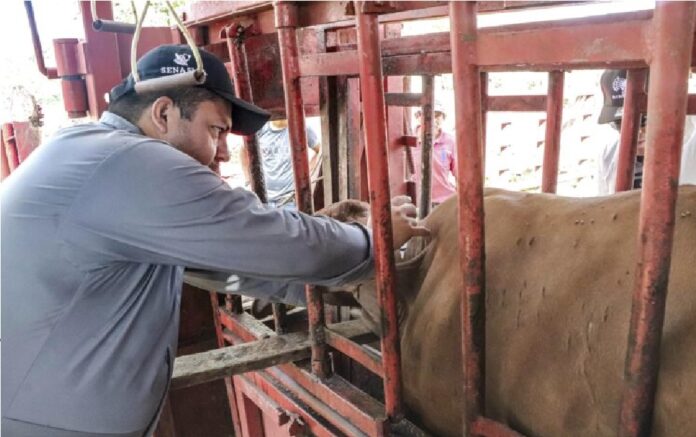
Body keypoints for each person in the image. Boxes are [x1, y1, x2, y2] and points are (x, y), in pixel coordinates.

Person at [1, 44, 428, 436]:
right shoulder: (132, 161)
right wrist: (374, 239)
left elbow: (224, 268)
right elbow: (267, 240)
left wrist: (344, 284)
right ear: (164, 114)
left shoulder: (90, 151)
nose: (222, 152)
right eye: (216, 130)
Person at [596, 69, 696, 195]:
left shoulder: (691, 145)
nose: (636, 130)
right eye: (619, 123)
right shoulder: (608, 156)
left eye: (644, 119)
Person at [241, 119, 321, 207]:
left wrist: (309, 171)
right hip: (264, 198)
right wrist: (248, 180)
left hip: (290, 199)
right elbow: (244, 150)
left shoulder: (300, 126)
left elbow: (320, 150)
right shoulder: (261, 128)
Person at [413, 102, 457, 206]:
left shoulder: (450, 141)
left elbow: (460, 175)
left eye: (437, 115)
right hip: (415, 202)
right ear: (418, 117)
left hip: (443, 202)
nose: (433, 119)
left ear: (443, 118)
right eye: (427, 114)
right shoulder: (409, 140)